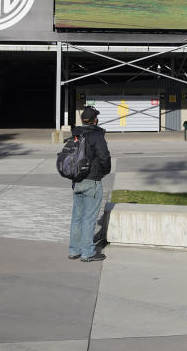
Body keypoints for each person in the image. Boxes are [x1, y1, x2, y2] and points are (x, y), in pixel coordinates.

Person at [68, 106, 111, 263]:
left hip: (76, 181)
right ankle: (87, 252)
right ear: (95, 120)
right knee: (89, 218)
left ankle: (74, 250)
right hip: (92, 181)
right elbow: (104, 157)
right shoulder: (96, 135)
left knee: (77, 217)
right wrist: (104, 172)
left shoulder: (76, 134)